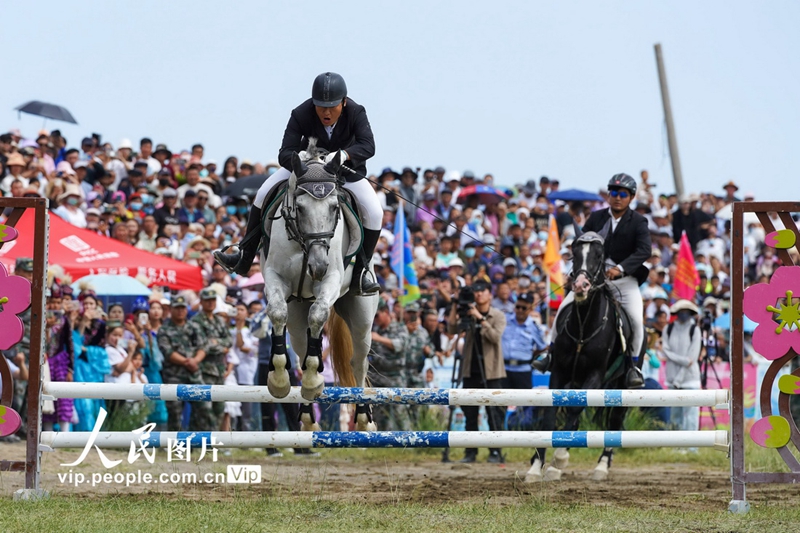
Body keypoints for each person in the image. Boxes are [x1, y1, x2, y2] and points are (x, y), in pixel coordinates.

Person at [214, 72, 382, 295]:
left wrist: (343, 155)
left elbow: (368, 146)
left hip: (344, 173)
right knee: (263, 192)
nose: (326, 112)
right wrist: (304, 160)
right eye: (321, 106)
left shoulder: (356, 112)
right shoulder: (301, 113)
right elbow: (285, 152)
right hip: (305, 172)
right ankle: (244, 254)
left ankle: (361, 272)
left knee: (375, 212)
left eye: (332, 106)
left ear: (344, 101)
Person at [541, 174, 651, 389]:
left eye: (622, 194)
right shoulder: (596, 217)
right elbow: (583, 241)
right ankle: (550, 354)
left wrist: (620, 269)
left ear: (631, 197)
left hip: (624, 280)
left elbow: (644, 250)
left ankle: (633, 368)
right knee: (563, 309)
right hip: (593, 279)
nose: (617, 198)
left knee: (637, 322)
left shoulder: (638, 221)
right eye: (613, 193)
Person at [447, 279, 507, 463]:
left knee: (494, 414)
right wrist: (455, 305)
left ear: (490, 293)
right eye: (476, 291)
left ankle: (495, 451)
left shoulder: (497, 315)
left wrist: (480, 318)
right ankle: (470, 452)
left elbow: (495, 337)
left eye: (482, 291)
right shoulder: (467, 313)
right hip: (470, 370)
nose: (479, 294)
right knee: (470, 414)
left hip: (492, 372)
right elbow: (451, 328)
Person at [158, 295, 214, 431]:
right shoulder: (164, 330)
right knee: (175, 411)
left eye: (182, 308)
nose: (180, 311)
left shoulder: (194, 327)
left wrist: (195, 361)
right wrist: (186, 362)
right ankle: (175, 445)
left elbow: (204, 347)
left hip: (194, 373)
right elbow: (168, 352)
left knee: (204, 407)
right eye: (177, 308)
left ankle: (198, 443)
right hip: (174, 376)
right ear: (171, 310)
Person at [191, 288, 233, 429]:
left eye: (212, 300)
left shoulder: (219, 321)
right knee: (204, 407)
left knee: (219, 406)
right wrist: (218, 345)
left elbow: (229, 341)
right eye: (207, 300)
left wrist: (216, 344)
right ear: (201, 302)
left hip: (219, 369)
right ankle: (200, 440)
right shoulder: (195, 322)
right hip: (204, 369)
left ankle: (214, 440)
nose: (210, 303)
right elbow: (203, 344)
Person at [662, 300, 702, 442]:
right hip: (672, 377)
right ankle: (675, 445)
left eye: (687, 312)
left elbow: (692, 358)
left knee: (691, 414)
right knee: (675, 415)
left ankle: (691, 447)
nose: (684, 315)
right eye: (681, 312)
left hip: (690, 379)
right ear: (676, 313)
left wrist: (681, 372)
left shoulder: (695, 330)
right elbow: (665, 351)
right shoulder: (668, 329)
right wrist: (682, 360)